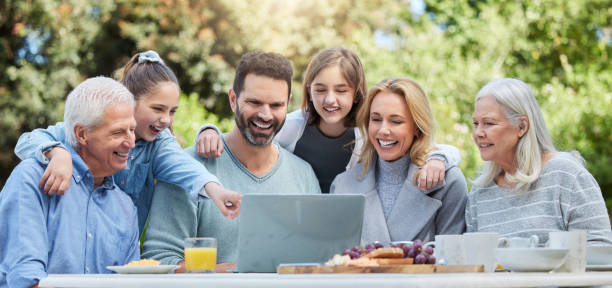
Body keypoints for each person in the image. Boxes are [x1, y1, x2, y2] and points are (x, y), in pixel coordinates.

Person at [14, 51, 242, 235]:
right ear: (129, 101)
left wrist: (215, 190)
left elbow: (183, 166)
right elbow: (27, 140)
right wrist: (58, 153)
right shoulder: (90, 126)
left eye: (172, 111)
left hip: (120, 244)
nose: (166, 119)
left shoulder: (159, 143)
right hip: (76, 234)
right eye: (157, 109)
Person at [142, 51, 320, 271]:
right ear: (233, 99)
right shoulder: (188, 168)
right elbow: (159, 258)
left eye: (276, 105)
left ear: (287, 104)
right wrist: (218, 273)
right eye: (254, 102)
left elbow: (316, 258)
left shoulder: (303, 174)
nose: (265, 115)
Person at [196, 47, 460, 193]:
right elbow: (251, 131)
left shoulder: (370, 131)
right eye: (320, 90)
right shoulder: (293, 126)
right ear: (308, 91)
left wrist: (439, 158)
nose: (330, 100)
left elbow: (428, 144)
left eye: (341, 90)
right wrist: (209, 131)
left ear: (356, 93)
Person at [0, 77, 140, 288]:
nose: (131, 142)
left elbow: (132, 283)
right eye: (118, 131)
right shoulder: (32, 179)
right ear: (82, 134)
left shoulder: (125, 207)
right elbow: (27, 279)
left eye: (132, 129)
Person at [465, 78, 612, 245]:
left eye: (489, 123)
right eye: (475, 123)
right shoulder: (479, 193)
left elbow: (600, 246)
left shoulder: (566, 174)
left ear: (522, 127)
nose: (478, 133)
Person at [330, 77, 468, 245]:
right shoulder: (342, 186)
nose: (383, 130)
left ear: (417, 127)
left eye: (396, 121)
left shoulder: (449, 182)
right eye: (376, 119)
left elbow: (452, 262)